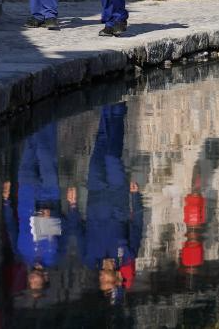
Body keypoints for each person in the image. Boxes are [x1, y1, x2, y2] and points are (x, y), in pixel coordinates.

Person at [1, 121, 80, 299]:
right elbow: (68, 230)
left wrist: (6, 202)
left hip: (27, 195)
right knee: (45, 151)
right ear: (45, 278)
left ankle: (35, 115)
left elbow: (11, 227)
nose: (33, 282)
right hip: (49, 196)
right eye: (37, 284)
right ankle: (47, 115)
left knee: (30, 147)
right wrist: (73, 206)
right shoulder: (55, 255)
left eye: (31, 284)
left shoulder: (22, 253)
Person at [79, 104, 144, 302]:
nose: (102, 280)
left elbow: (78, 229)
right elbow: (137, 225)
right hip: (117, 196)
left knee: (99, 148)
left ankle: (107, 109)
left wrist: (72, 208)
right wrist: (136, 198)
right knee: (111, 156)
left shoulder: (89, 258)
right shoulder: (128, 255)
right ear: (117, 279)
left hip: (96, 194)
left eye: (102, 283)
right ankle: (118, 111)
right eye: (106, 283)